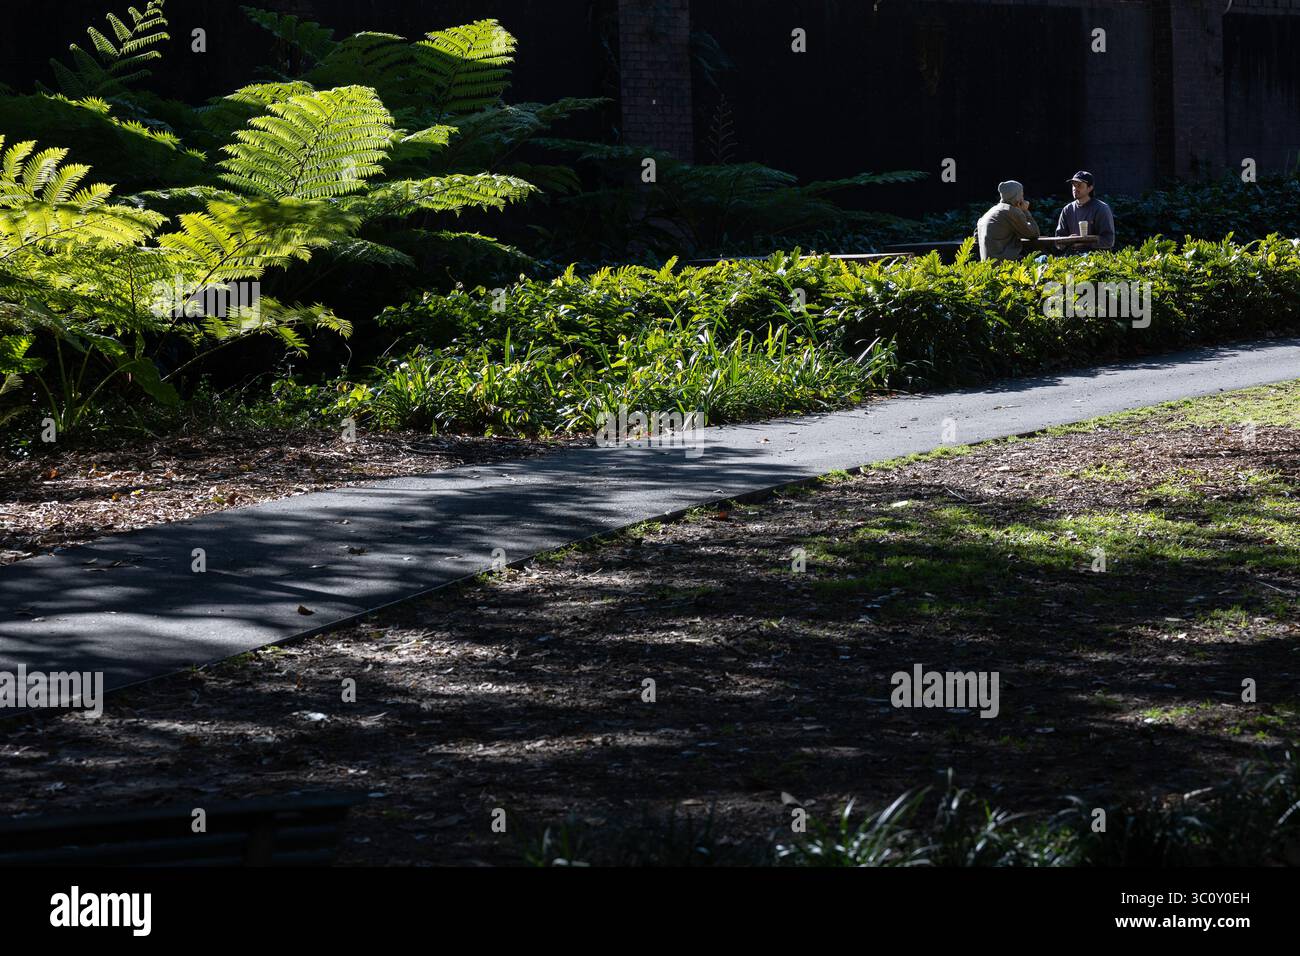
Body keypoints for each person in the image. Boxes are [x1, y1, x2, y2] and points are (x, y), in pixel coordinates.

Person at [975, 180, 1040, 261]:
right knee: (1044, 260)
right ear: (1017, 196)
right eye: (1022, 194)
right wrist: (1025, 211)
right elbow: (1034, 233)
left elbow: (976, 236)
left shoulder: (991, 211)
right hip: (1007, 266)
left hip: (987, 267)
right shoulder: (1011, 211)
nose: (1023, 198)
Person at [1054, 171, 1115, 250]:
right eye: (1073, 185)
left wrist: (1085, 242)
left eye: (1079, 185)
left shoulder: (1101, 208)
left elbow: (1109, 240)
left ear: (1090, 188)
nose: (1075, 188)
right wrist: (1068, 240)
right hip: (1071, 257)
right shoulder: (1067, 210)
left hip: (1094, 258)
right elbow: (1058, 241)